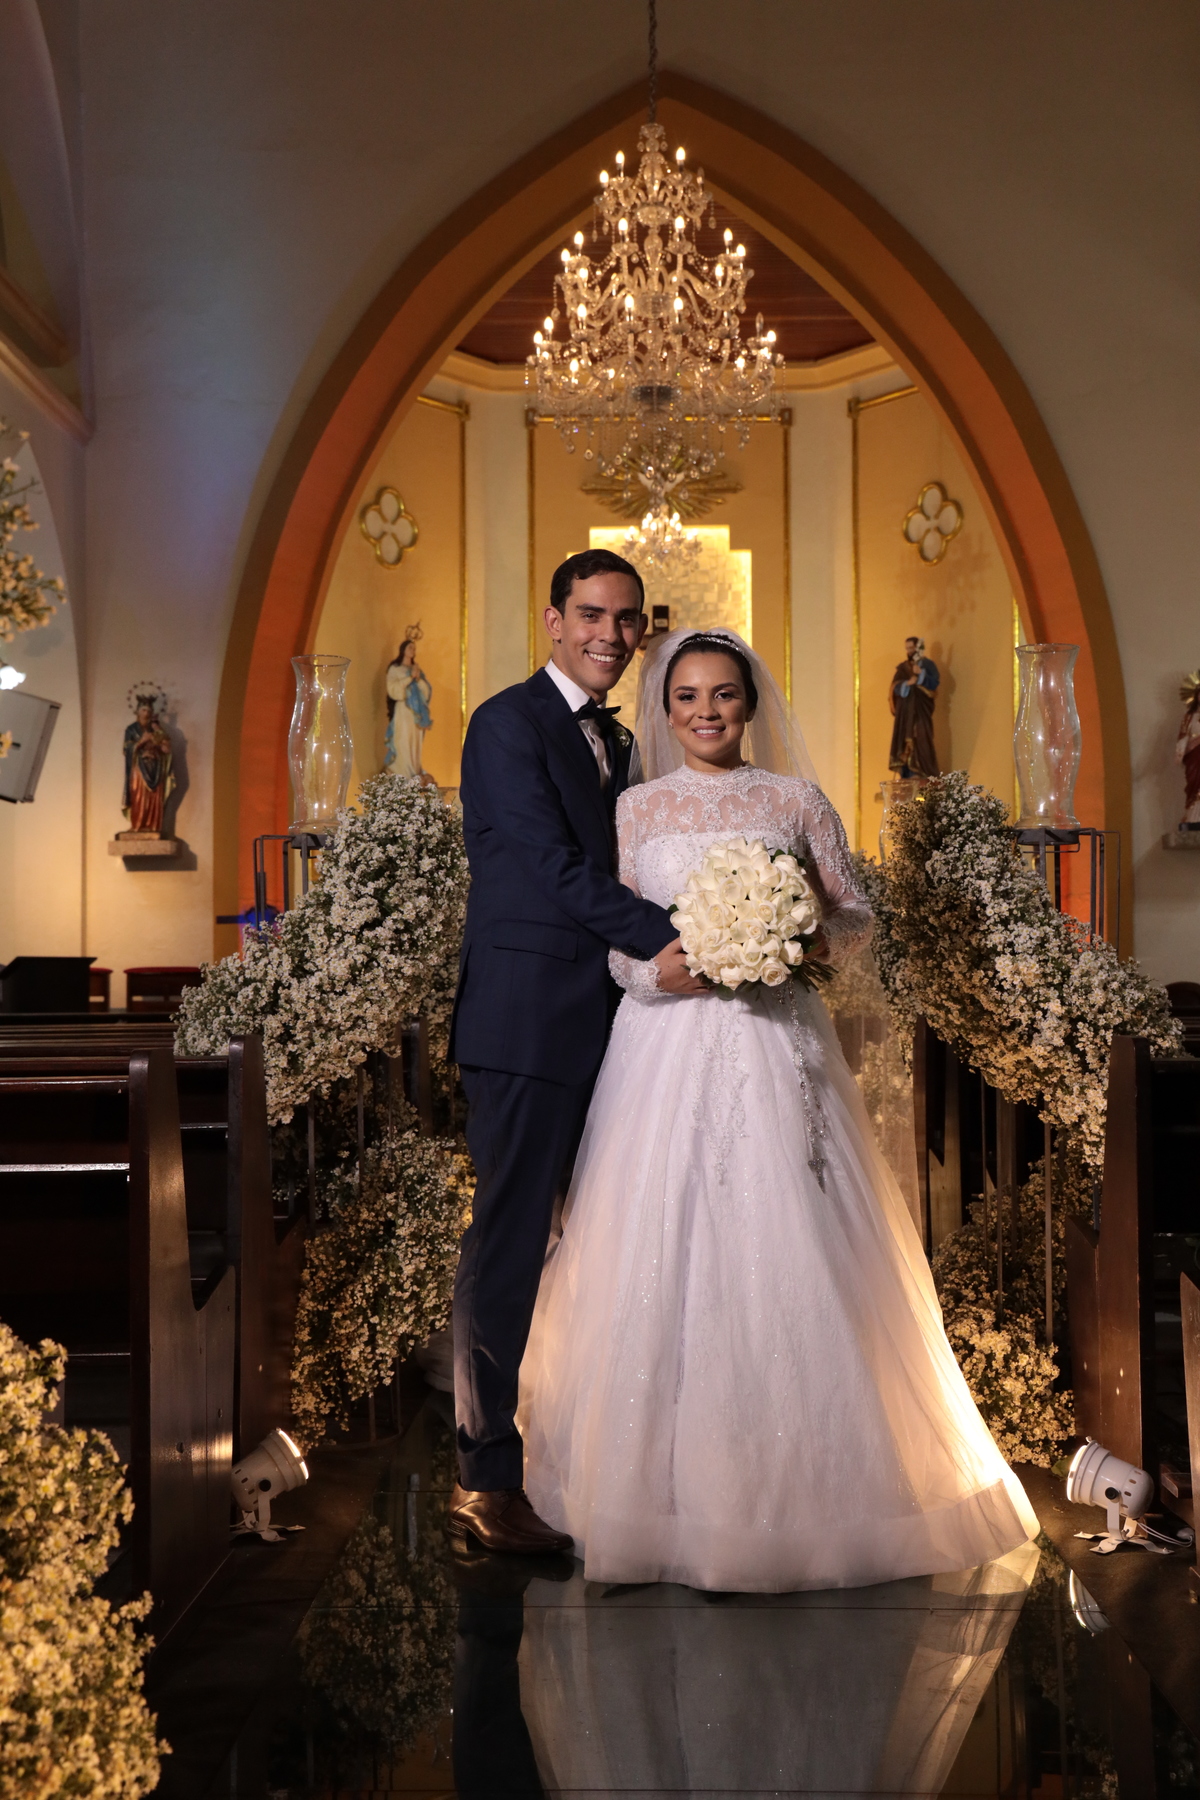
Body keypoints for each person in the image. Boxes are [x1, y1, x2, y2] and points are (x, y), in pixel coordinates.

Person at [520, 627, 1037, 1591]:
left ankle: (812, 1495)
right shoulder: (633, 809)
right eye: (686, 699)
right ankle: (651, 1495)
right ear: (664, 712)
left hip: (774, 1037)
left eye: (723, 695)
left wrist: (788, 942)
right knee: (658, 1238)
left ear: (749, 705)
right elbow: (615, 935)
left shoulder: (795, 800)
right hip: (664, 1046)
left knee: (791, 1227)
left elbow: (852, 915)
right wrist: (659, 970)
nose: (706, 712)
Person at [446, 548, 706, 1557]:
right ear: (552, 619)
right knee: (508, 1245)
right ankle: (483, 1481)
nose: (610, 633)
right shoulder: (506, 724)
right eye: (591, 614)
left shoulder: (625, 744)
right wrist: (673, 935)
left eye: (627, 618)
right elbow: (553, 867)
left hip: (615, 1023)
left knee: (602, 1242)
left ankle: (589, 1451)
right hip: (524, 1022)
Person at [121, 695, 175, 835]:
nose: (147, 713)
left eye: (149, 711)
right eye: (144, 710)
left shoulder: (156, 729)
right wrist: (141, 742)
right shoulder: (131, 729)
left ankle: (153, 826)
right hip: (138, 768)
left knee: (154, 797)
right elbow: (126, 749)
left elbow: (167, 750)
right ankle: (138, 825)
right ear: (138, 711)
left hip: (156, 768)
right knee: (138, 796)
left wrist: (159, 733)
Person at [889, 634, 940, 777]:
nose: (909, 651)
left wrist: (921, 674)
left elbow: (935, 684)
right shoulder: (903, 669)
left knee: (922, 738)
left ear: (917, 648)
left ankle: (924, 773)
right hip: (905, 713)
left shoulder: (928, 665)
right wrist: (907, 684)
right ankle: (908, 774)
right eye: (907, 649)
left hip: (921, 710)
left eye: (911, 648)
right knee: (905, 741)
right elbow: (894, 688)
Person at [384, 633, 433, 781]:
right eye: (410, 647)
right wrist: (409, 677)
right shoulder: (395, 668)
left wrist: (418, 679)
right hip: (403, 709)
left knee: (415, 742)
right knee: (402, 740)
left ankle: (414, 770)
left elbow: (426, 691)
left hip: (416, 713)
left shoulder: (417, 669)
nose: (413, 650)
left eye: (414, 648)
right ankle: (401, 771)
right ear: (403, 650)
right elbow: (393, 690)